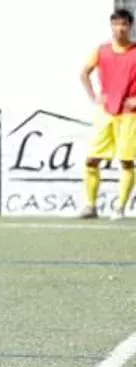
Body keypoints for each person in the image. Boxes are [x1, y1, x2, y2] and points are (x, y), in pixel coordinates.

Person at [79, 8, 136, 220]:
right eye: (116, 24)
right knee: (91, 160)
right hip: (106, 114)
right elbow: (84, 72)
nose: (120, 28)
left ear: (130, 26)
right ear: (111, 26)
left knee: (126, 161)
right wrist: (93, 96)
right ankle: (90, 206)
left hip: (129, 116)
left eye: (124, 24)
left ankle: (120, 208)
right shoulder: (102, 50)